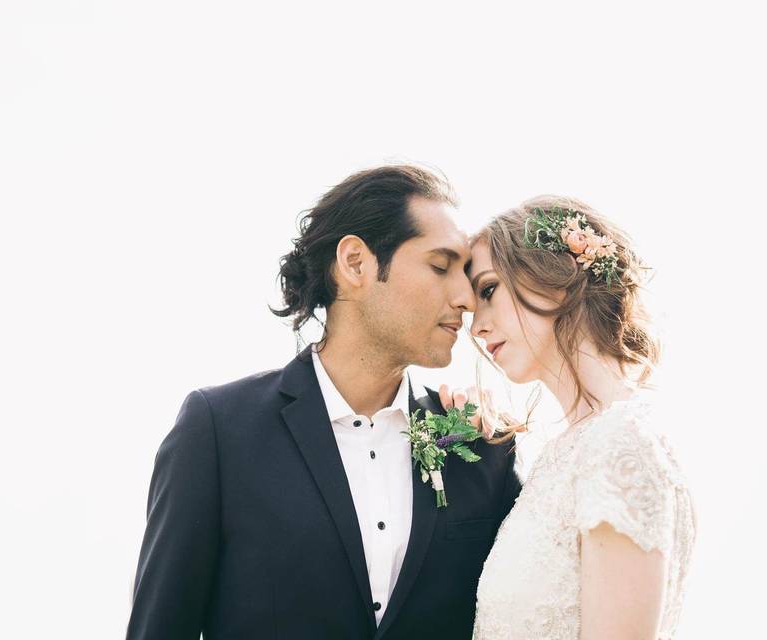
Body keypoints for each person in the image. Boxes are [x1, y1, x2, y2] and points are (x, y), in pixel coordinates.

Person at [125, 164, 520, 639]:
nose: (466, 298)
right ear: (356, 263)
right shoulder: (218, 431)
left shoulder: (480, 440)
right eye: (440, 267)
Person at [467, 196, 696, 639]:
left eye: (489, 290)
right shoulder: (576, 447)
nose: (476, 326)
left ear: (556, 277)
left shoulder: (620, 443)